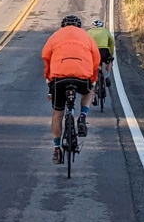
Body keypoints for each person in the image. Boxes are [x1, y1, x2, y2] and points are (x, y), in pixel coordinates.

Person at [42, 14, 100, 164]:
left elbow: (46, 56)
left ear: (63, 25)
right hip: (81, 76)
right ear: (78, 26)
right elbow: (96, 58)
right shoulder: (86, 36)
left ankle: (56, 149)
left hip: (59, 78)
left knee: (57, 114)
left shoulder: (55, 36)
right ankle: (82, 116)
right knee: (89, 91)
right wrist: (93, 78)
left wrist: (49, 77)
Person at [87, 19, 115, 88]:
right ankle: (108, 75)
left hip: (93, 51)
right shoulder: (106, 31)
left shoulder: (88, 32)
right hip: (104, 51)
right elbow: (112, 42)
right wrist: (111, 53)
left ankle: (92, 79)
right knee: (109, 61)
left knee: (91, 63)